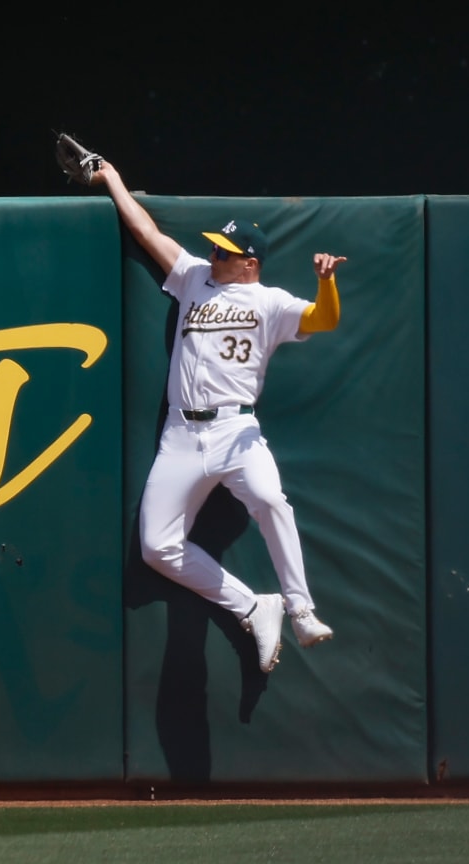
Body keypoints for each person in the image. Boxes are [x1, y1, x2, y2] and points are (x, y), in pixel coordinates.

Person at [92, 161, 346, 674]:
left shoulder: (269, 301)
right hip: (182, 433)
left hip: (236, 429)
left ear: (249, 264)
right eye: (214, 247)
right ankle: (253, 605)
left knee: (271, 500)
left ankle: (299, 608)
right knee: (156, 547)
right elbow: (143, 229)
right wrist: (112, 177)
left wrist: (326, 283)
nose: (214, 254)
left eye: (225, 253)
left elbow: (325, 320)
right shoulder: (192, 278)